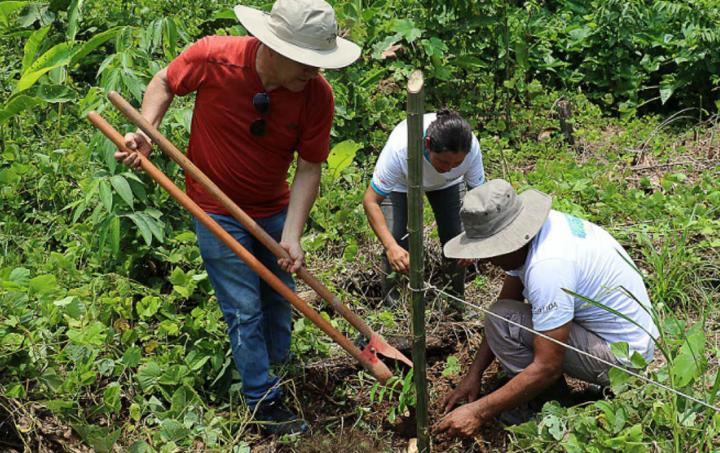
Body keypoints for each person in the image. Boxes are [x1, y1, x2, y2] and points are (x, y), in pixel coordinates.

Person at [115, 0, 361, 435]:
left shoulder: (317, 95)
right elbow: (165, 81)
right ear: (275, 47)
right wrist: (147, 131)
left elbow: (309, 167)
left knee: (278, 298)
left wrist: (293, 234)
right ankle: (262, 404)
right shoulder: (215, 57)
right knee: (245, 309)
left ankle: (280, 373)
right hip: (214, 207)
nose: (314, 71)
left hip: (273, 207)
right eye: (307, 61)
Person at [433, 179, 659, 438]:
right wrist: (474, 375)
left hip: (624, 358)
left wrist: (479, 411)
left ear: (509, 241)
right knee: (501, 315)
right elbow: (507, 304)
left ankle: (552, 407)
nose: (488, 260)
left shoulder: (548, 267)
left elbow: (547, 365)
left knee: (503, 320)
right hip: (622, 338)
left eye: (489, 251)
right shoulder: (543, 230)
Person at [362, 110, 485, 315]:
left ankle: (456, 304)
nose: (449, 167)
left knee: (457, 239)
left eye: (457, 163)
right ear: (428, 146)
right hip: (401, 183)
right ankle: (393, 312)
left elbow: (480, 197)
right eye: (444, 162)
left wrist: (475, 240)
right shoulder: (401, 149)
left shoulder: (470, 149)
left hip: (449, 186)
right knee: (396, 239)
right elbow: (370, 201)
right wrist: (391, 246)